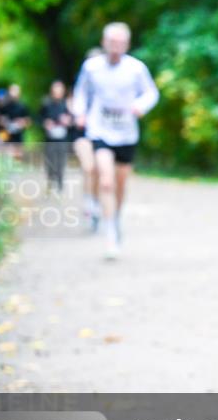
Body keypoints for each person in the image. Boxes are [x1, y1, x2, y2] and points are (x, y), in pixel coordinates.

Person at [72, 23, 159, 259]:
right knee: (106, 182)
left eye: (120, 43)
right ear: (104, 42)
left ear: (127, 45)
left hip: (126, 133)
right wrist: (80, 113)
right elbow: (81, 93)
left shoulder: (136, 68)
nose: (115, 47)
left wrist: (140, 106)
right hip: (100, 130)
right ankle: (110, 234)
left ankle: (115, 219)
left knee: (120, 184)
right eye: (111, 42)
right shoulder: (91, 67)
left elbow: (151, 93)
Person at [72, 47, 104, 231]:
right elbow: (74, 105)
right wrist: (79, 115)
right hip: (83, 133)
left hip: (101, 134)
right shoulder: (80, 88)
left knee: (99, 170)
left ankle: (96, 202)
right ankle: (88, 202)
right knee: (88, 167)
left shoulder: (109, 90)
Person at [39, 80, 73, 193]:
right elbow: (38, 119)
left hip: (62, 138)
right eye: (56, 90)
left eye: (60, 90)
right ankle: (50, 181)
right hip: (50, 138)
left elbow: (74, 120)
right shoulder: (46, 104)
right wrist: (45, 123)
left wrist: (68, 121)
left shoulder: (67, 105)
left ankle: (59, 184)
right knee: (50, 160)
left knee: (61, 161)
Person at [0, 83, 31, 159]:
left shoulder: (23, 106)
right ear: (9, 92)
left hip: (19, 136)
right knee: (7, 157)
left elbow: (28, 122)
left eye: (16, 91)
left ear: (19, 93)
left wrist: (22, 122)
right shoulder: (3, 106)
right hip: (6, 136)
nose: (14, 93)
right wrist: (3, 122)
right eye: (12, 91)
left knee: (18, 158)